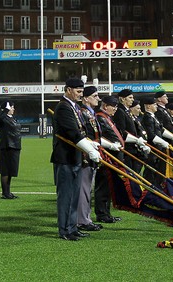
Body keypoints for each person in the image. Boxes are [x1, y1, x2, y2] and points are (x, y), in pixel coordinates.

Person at [51, 77, 101, 241]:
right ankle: (64, 229)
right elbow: (72, 133)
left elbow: (82, 131)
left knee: (74, 195)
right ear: (68, 90)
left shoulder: (75, 107)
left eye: (81, 91)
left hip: (76, 157)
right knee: (66, 196)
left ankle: (73, 227)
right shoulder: (64, 108)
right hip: (65, 157)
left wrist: (90, 144)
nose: (81, 94)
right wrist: (89, 149)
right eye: (78, 91)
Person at [77, 86, 103, 232]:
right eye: (95, 96)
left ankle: (86, 218)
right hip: (85, 155)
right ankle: (82, 220)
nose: (98, 99)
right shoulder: (83, 113)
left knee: (88, 189)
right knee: (84, 189)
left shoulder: (91, 113)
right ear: (86, 98)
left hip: (92, 153)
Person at [94, 95, 123, 224]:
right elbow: (100, 136)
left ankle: (106, 213)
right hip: (107, 156)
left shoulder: (107, 118)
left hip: (114, 156)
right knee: (103, 185)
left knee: (109, 186)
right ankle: (101, 213)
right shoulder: (100, 117)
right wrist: (112, 145)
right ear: (106, 106)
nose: (115, 109)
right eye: (114, 106)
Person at [113, 89, 146, 172]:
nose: (132, 100)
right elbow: (121, 131)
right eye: (130, 97)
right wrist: (136, 140)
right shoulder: (120, 111)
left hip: (133, 147)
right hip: (127, 148)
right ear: (123, 99)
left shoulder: (127, 111)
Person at [0, 101, 21, 199]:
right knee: (5, 171)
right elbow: (0, 116)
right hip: (6, 146)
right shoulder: (2, 118)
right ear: (6, 109)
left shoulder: (12, 118)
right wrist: (5, 108)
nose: (13, 109)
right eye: (11, 107)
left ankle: (8, 192)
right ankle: (5, 193)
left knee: (10, 171)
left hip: (14, 146)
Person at [141, 97, 169, 186]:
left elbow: (161, 130)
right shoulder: (147, 117)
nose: (156, 106)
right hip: (153, 148)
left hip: (158, 148)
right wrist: (163, 142)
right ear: (149, 106)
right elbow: (151, 135)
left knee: (157, 170)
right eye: (154, 104)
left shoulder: (153, 117)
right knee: (151, 170)